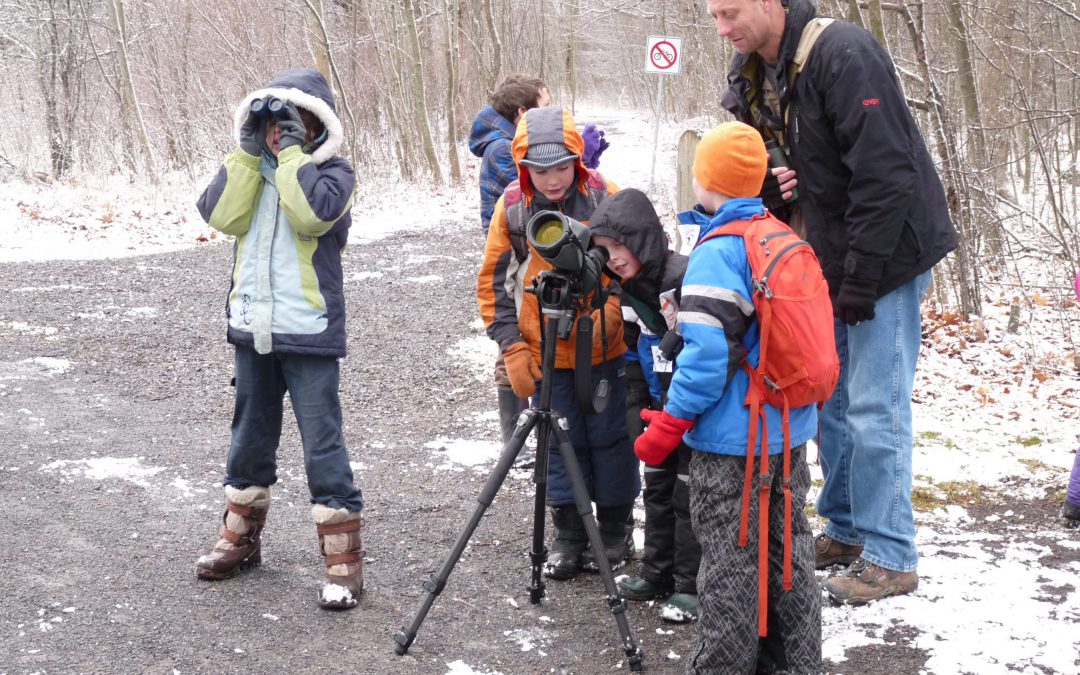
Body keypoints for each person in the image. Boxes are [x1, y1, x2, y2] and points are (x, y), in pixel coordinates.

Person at [710, 0, 959, 604]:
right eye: (714, 17)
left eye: (731, 12)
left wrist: (862, 276)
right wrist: (773, 179)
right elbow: (775, 152)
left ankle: (892, 554)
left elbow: (887, 171)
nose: (723, 29)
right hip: (827, 252)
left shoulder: (842, 51)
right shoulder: (755, 73)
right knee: (831, 399)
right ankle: (846, 531)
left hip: (887, 255)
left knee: (876, 405)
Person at [635, 121, 821, 673]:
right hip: (789, 433)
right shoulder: (783, 237)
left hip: (732, 445)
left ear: (704, 181)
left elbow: (706, 359)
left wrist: (669, 424)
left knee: (730, 565)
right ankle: (796, 664)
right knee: (788, 558)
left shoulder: (719, 251)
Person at [194, 67, 365, 610]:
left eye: (288, 124)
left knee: (322, 445)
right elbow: (219, 214)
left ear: (314, 127)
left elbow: (311, 215)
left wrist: (291, 157)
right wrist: (247, 156)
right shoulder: (252, 170)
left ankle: (343, 562)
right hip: (253, 330)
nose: (276, 133)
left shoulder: (334, 175)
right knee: (248, 437)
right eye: (268, 124)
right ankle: (239, 539)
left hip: (308, 330)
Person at [476, 105, 638, 580]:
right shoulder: (514, 208)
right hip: (544, 355)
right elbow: (492, 284)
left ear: (578, 163)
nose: (552, 180)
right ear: (524, 167)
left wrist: (613, 315)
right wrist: (511, 345)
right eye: (541, 170)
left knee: (612, 439)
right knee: (555, 440)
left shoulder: (604, 195)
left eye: (562, 168)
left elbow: (633, 266)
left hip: (605, 352)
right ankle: (568, 532)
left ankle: (614, 528)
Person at [586, 188, 701, 623]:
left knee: (687, 495)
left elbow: (704, 351)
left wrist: (680, 410)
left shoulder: (683, 279)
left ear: (644, 238)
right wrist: (637, 409)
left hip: (691, 412)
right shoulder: (629, 293)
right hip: (656, 409)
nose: (614, 258)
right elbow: (634, 357)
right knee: (656, 488)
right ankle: (658, 571)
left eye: (620, 245)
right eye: (604, 250)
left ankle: (691, 585)